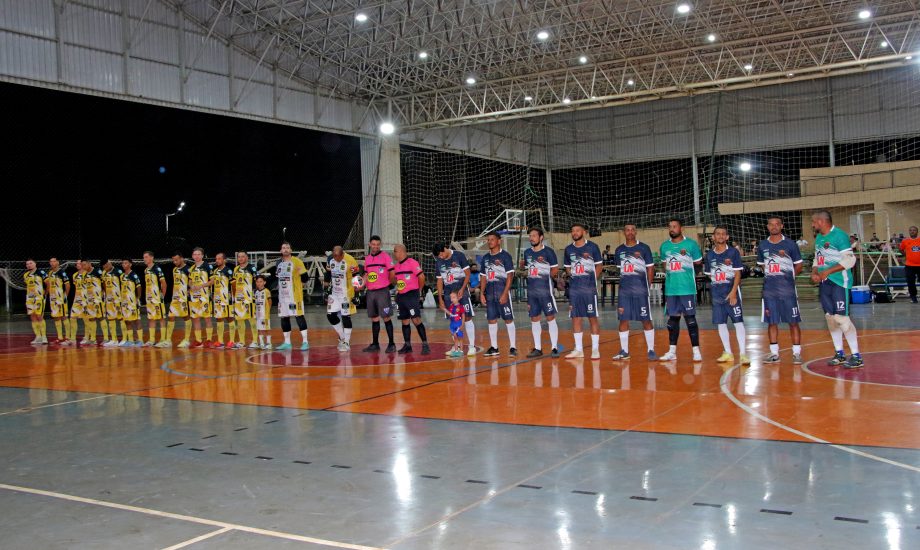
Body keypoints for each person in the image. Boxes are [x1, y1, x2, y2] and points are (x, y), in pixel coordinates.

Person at [811, 210, 862, 368]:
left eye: (814, 222)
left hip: (840, 282)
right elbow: (817, 258)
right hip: (825, 283)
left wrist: (828, 271)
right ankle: (839, 353)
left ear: (821, 221)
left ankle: (856, 356)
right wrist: (814, 272)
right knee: (831, 319)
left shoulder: (839, 235)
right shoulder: (819, 237)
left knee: (842, 319)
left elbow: (850, 260)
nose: (812, 225)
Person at [758, 217, 804, 364]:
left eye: (777, 224)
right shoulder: (763, 245)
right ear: (767, 227)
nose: (774, 227)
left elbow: (799, 265)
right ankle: (774, 354)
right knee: (772, 322)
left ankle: (796, 353)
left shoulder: (790, 244)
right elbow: (762, 265)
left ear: (782, 226)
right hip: (769, 291)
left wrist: (789, 278)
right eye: (771, 224)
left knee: (793, 321)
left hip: (788, 291)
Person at [658, 218, 703, 362]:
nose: (672, 229)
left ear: (681, 228)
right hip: (671, 289)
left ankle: (696, 351)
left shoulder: (691, 244)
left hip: (687, 288)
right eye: (670, 226)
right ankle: (672, 352)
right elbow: (664, 265)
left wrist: (686, 273)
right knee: (672, 321)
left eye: (675, 226)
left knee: (690, 320)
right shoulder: (664, 246)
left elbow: (698, 263)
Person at [611, 223, 657, 361]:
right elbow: (621, 269)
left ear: (635, 232)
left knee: (646, 320)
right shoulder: (619, 250)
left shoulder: (644, 248)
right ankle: (624, 351)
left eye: (632, 230)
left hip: (640, 290)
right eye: (627, 230)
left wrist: (647, 286)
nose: (630, 232)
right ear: (623, 232)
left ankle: (651, 350)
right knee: (623, 319)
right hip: (625, 292)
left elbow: (650, 268)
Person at [705, 226, 749, 364]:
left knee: (738, 321)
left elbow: (737, 273)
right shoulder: (709, 255)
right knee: (721, 323)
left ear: (727, 237)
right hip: (717, 295)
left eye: (723, 234)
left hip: (731, 293)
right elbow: (709, 275)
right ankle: (728, 353)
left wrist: (733, 292)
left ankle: (743, 354)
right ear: (713, 237)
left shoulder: (733, 252)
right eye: (717, 234)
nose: (720, 236)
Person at [563, 223, 603, 359]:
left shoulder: (592, 247)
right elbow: (568, 268)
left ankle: (595, 349)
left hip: (589, 289)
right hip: (575, 290)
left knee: (592, 318)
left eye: (577, 230)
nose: (575, 233)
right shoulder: (568, 249)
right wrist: (573, 276)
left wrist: (592, 280)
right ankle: (579, 350)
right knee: (575, 318)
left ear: (583, 232)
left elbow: (599, 265)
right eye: (573, 230)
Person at [434, 242, 477, 356]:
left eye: (441, 255)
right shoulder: (438, 261)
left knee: (467, 317)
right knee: (454, 320)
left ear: (444, 249)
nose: (440, 257)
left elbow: (467, 274)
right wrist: (440, 298)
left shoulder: (459, 255)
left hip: (461, 288)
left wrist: (463, 289)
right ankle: (456, 346)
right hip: (448, 292)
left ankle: (472, 346)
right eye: (438, 257)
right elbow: (439, 280)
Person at [523, 227, 560, 358]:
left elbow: (555, 270)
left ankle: (554, 348)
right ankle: (538, 348)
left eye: (534, 235)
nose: (531, 238)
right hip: (532, 293)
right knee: (534, 318)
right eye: (530, 236)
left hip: (545, 291)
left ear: (541, 237)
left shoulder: (549, 252)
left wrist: (543, 277)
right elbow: (528, 271)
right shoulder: (527, 253)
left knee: (550, 317)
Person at [480, 231, 517, 357]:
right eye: (488, 239)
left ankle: (513, 347)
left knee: (508, 319)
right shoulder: (485, 258)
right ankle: (494, 347)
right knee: (491, 320)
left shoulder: (505, 256)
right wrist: (481, 293)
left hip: (502, 291)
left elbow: (510, 276)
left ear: (499, 241)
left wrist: (505, 293)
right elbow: (483, 277)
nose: (490, 241)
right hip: (490, 293)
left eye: (492, 239)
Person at [362, 235, 397, 353]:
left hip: (382, 291)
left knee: (386, 317)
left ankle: (392, 344)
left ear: (380, 245)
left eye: (378, 245)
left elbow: (392, 272)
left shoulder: (385, 257)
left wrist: (391, 284)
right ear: (370, 245)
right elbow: (366, 275)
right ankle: (375, 344)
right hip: (371, 292)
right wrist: (361, 285)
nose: (376, 247)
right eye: (374, 244)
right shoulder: (367, 259)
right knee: (374, 318)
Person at [393, 244, 430, 354]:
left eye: (395, 251)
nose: (394, 254)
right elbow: (397, 280)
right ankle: (407, 345)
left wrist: (419, 290)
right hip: (401, 296)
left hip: (411, 295)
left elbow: (421, 277)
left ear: (401, 251)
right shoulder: (397, 266)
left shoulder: (412, 262)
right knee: (405, 321)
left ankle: (425, 345)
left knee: (416, 319)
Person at [275, 241, 310, 351]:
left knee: (299, 316)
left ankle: (305, 342)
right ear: (281, 250)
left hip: (294, 296)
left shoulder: (297, 261)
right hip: (282, 296)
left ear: (290, 250)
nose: (285, 249)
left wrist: (302, 274)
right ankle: (287, 342)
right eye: (283, 247)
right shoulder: (278, 263)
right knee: (284, 318)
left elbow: (305, 279)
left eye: (287, 247)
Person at [326, 246, 359, 352]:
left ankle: (347, 342)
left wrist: (357, 295)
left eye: (338, 257)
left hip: (346, 293)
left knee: (345, 317)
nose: (336, 259)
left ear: (342, 254)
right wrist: (326, 290)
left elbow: (356, 277)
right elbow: (328, 274)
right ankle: (342, 337)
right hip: (334, 293)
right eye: (334, 256)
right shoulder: (330, 259)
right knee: (330, 315)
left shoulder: (350, 261)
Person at [205, 252, 235, 349]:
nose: (217, 260)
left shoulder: (228, 271)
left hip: (227, 299)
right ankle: (220, 341)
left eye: (219, 259)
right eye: (216, 259)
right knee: (218, 319)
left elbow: (233, 285)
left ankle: (232, 341)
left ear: (224, 260)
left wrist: (233, 296)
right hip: (217, 299)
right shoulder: (215, 271)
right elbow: (212, 283)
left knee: (229, 318)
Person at [232, 251, 260, 349]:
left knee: (251, 319)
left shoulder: (252, 268)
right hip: (238, 299)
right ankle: (241, 341)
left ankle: (255, 341)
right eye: (239, 257)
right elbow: (234, 284)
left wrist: (255, 294)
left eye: (242, 256)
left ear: (247, 258)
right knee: (239, 320)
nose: (240, 258)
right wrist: (234, 297)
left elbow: (257, 282)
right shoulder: (236, 269)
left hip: (249, 298)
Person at [188, 247, 214, 348]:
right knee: (195, 318)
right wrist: (191, 286)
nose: (197, 256)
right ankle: (198, 340)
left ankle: (209, 340)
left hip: (204, 297)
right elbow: (190, 280)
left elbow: (212, 281)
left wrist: (202, 286)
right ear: (192, 256)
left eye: (199, 254)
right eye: (195, 254)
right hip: (194, 297)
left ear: (202, 256)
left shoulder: (207, 266)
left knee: (207, 318)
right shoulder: (192, 268)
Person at [142, 251, 169, 347]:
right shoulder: (146, 270)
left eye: (146, 257)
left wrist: (162, 296)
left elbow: (164, 283)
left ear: (151, 258)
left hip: (157, 299)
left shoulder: (157, 269)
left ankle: (163, 340)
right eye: (144, 257)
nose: (144, 259)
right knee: (151, 318)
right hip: (149, 299)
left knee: (161, 318)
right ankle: (152, 339)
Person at [168, 252, 191, 348]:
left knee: (186, 317)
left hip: (184, 298)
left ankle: (187, 340)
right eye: (173, 260)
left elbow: (191, 282)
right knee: (170, 316)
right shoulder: (174, 270)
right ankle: (168, 340)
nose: (175, 262)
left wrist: (189, 291)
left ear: (182, 258)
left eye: (176, 259)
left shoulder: (188, 269)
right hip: (175, 298)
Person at [45, 257, 71, 344]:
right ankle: (60, 337)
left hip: (60, 299)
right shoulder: (50, 273)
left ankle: (68, 338)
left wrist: (65, 296)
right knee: (56, 317)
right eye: (51, 262)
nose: (52, 263)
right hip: (52, 299)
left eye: (54, 261)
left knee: (64, 316)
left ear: (58, 262)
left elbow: (67, 285)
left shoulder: (62, 272)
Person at [119, 259, 143, 347]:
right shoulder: (121, 276)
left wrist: (138, 298)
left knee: (136, 320)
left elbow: (139, 287)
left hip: (132, 302)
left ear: (130, 264)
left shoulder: (134, 275)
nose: (124, 264)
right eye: (123, 263)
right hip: (124, 302)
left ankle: (140, 340)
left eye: (126, 263)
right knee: (127, 321)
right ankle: (131, 340)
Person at [24, 259, 47, 345]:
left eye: (30, 263)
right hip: (29, 299)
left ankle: (44, 337)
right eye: (27, 264)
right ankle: (38, 337)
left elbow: (47, 283)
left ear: (35, 264)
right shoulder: (26, 275)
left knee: (39, 316)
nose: (29, 265)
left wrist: (45, 293)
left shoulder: (41, 272)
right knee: (32, 316)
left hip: (39, 298)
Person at [100, 259, 123, 347]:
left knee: (121, 318)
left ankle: (125, 338)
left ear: (110, 263)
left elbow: (123, 284)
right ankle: (114, 339)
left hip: (118, 299)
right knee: (110, 318)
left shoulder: (118, 271)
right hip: (108, 299)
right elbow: (104, 285)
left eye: (106, 265)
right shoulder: (103, 273)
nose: (105, 267)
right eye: (104, 267)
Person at [82, 260, 104, 346]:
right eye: (82, 265)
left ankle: (106, 338)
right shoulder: (84, 274)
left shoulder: (97, 271)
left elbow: (104, 283)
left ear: (89, 264)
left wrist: (102, 295)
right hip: (89, 300)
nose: (83, 266)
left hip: (97, 299)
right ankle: (93, 339)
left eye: (85, 265)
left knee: (101, 317)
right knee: (91, 318)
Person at [899, 226, 920, 304]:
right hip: (910, 265)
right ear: (909, 232)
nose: (912, 231)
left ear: (917, 232)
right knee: (911, 282)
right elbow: (900, 249)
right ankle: (913, 297)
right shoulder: (905, 241)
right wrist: (905, 255)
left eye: (914, 230)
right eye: (910, 230)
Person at [69, 259, 86, 344]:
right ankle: (72, 339)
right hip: (77, 299)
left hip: (86, 300)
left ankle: (87, 337)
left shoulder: (87, 274)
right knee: (72, 317)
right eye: (76, 263)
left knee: (86, 319)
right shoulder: (74, 275)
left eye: (79, 263)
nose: (77, 265)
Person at [254, 275, 273, 349]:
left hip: (265, 314)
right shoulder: (256, 292)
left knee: (267, 328)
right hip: (258, 314)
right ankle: (261, 343)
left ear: (264, 282)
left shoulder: (266, 291)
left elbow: (270, 301)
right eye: (257, 282)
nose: (259, 283)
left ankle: (269, 343)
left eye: (261, 281)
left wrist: (268, 310)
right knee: (260, 328)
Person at [446, 291, 466, 358]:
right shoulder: (451, 306)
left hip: (458, 324)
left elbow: (463, 316)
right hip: (452, 324)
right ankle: (456, 351)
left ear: (458, 298)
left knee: (460, 338)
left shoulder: (460, 307)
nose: (452, 299)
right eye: (451, 298)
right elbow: (451, 314)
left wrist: (462, 324)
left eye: (454, 297)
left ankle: (461, 351)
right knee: (455, 338)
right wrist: (444, 309)